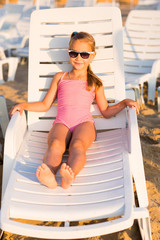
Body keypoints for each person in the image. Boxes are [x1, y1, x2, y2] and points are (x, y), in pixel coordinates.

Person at [10, 32, 140, 189]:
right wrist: (24, 105)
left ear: (92, 56)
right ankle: (49, 175)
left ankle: (69, 175)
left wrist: (125, 102)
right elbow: (45, 105)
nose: (78, 58)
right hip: (62, 122)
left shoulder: (95, 82)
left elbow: (105, 111)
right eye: (74, 53)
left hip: (84, 123)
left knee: (77, 146)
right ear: (69, 53)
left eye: (84, 54)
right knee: (56, 144)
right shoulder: (60, 77)